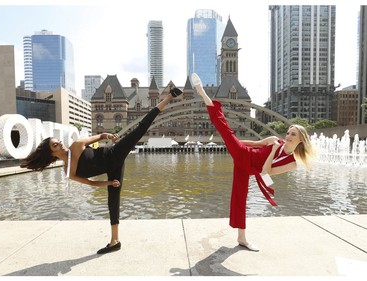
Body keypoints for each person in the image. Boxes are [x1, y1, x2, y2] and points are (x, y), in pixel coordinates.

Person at [20, 87, 183, 254]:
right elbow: (90, 182)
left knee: (141, 128)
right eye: (55, 145)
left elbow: (98, 136)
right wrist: (109, 182)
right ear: (52, 153)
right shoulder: (68, 171)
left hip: (114, 153)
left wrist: (109, 136)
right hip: (112, 171)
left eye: (58, 141)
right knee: (113, 202)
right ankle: (115, 241)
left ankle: (170, 96)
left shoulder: (76, 146)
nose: (60, 144)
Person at [191, 73, 314, 252]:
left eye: (292, 134)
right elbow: (255, 144)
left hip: (251, 169)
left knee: (240, 200)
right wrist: (234, 144)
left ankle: (242, 238)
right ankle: (202, 92)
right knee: (224, 128)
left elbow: (266, 173)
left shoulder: (292, 162)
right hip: (244, 154)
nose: (288, 136)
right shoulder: (274, 139)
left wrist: (272, 151)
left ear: (300, 140)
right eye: (288, 132)